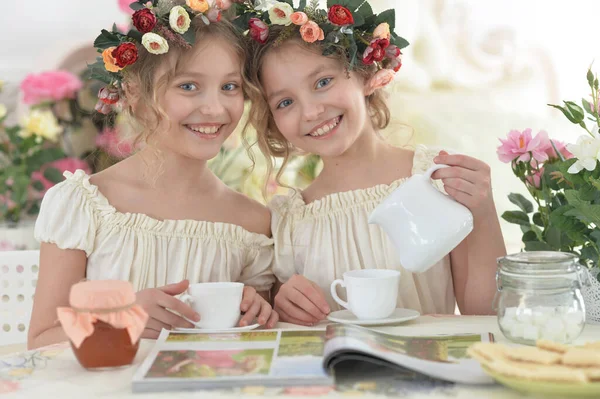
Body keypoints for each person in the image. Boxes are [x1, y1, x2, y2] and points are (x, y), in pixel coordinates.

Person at [28, 1, 278, 349]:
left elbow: (255, 344)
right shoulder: (84, 205)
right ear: (134, 92)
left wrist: (257, 312)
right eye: (188, 86)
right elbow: (42, 341)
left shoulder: (252, 222)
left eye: (230, 87)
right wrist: (125, 318)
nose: (215, 108)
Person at [240, 1, 506, 325]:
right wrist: (285, 305)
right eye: (285, 102)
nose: (310, 112)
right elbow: (292, 325)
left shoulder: (434, 179)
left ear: (366, 74)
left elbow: (486, 314)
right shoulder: (292, 220)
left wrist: (482, 210)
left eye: (323, 82)